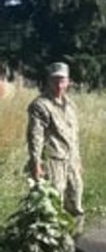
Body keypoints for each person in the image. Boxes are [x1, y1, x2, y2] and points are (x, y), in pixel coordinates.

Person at [26, 61, 84, 234]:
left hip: (71, 161)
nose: (59, 85)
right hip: (53, 161)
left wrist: (78, 160)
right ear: (48, 81)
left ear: (68, 82)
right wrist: (36, 162)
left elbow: (75, 136)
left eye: (62, 81)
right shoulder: (40, 105)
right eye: (55, 80)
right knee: (53, 203)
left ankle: (72, 241)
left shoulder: (70, 105)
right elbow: (35, 136)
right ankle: (53, 244)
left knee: (75, 202)